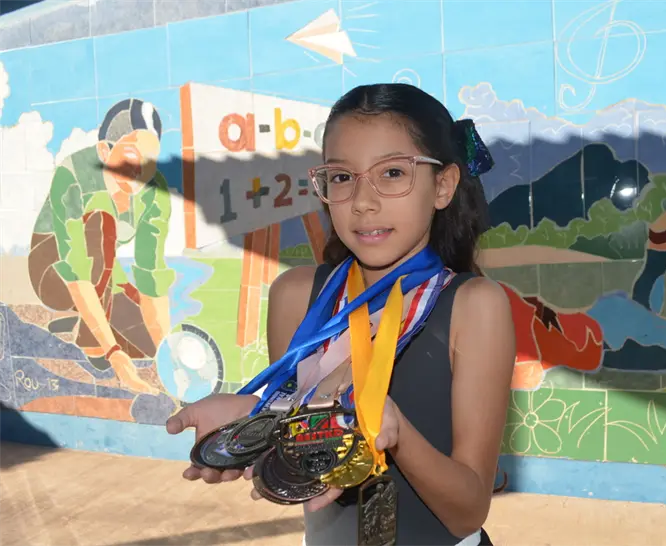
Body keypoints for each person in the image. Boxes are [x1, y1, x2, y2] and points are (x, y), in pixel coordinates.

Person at [166, 83, 516, 546]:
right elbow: (302, 466)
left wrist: (394, 432)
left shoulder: (475, 306)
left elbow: (468, 510)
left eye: (392, 173)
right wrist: (251, 420)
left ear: (443, 186)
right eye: (343, 177)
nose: (363, 201)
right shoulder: (295, 296)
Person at [505, 205, 666, 390]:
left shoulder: (496, 336)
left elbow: (528, 380)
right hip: (600, 319)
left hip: (610, 343)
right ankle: (661, 241)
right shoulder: (494, 297)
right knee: (642, 314)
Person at [28, 99, 173, 395]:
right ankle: (91, 340)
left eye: (150, 159)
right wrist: (114, 353)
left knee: (145, 342)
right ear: (105, 151)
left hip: (103, 269)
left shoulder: (155, 194)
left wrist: (168, 355)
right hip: (52, 266)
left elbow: (151, 279)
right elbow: (77, 268)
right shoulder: (74, 176)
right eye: (132, 155)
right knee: (100, 222)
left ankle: (86, 324)